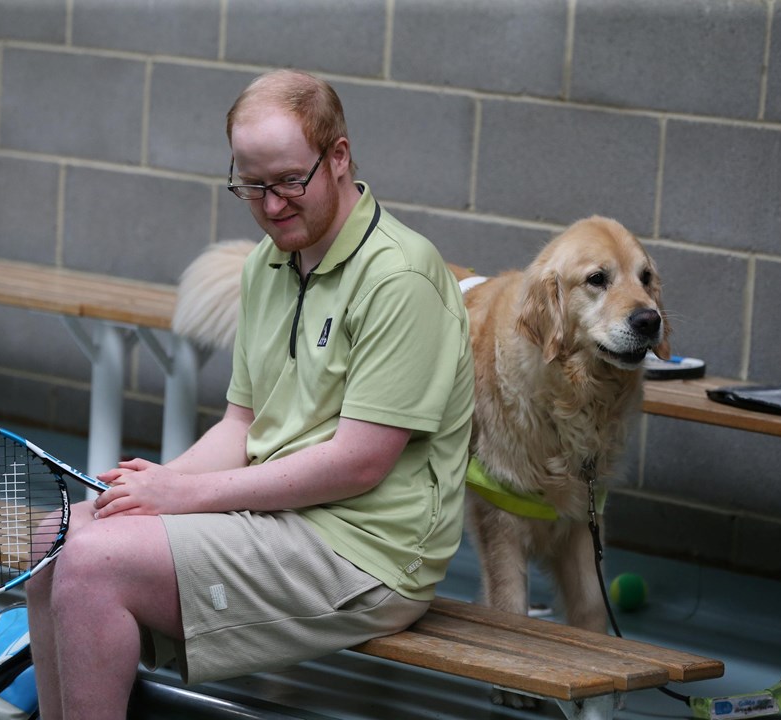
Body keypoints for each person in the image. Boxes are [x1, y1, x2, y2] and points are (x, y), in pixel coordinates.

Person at [26, 68, 475, 719]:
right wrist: (144, 490)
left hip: (370, 552)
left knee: (95, 563)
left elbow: (359, 462)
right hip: (283, 522)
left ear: (339, 157)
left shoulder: (400, 276)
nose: (271, 206)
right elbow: (244, 424)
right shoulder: (266, 263)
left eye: (290, 181)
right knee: (60, 536)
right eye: (251, 185)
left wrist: (184, 495)